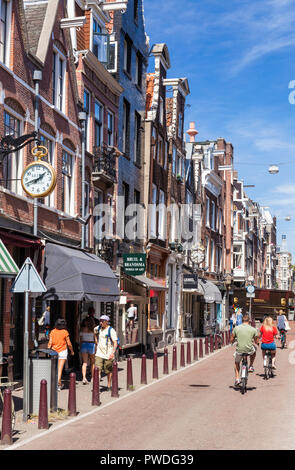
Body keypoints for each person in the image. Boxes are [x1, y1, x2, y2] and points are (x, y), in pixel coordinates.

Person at [231, 313, 259, 387]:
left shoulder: (236, 328)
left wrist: (232, 341)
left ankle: (237, 379)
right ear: (249, 321)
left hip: (239, 350)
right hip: (249, 350)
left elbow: (232, 339)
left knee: (236, 363)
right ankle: (250, 366)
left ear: (242, 321)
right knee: (254, 350)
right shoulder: (253, 329)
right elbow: (256, 341)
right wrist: (258, 343)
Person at [48, 318, 74, 391]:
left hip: (53, 351)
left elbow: (50, 342)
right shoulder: (65, 332)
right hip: (62, 351)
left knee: (53, 368)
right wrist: (72, 351)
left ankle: (55, 384)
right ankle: (58, 385)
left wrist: (48, 350)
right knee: (60, 369)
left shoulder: (52, 331)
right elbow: (69, 343)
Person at [94, 315, 118, 391]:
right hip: (99, 353)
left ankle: (108, 385)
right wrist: (96, 341)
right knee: (97, 369)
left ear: (106, 322)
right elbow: (94, 332)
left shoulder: (111, 330)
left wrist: (112, 353)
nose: (101, 323)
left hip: (108, 354)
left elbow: (115, 343)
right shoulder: (97, 328)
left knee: (108, 370)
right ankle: (96, 386)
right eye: (100, 321)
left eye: (102, 321)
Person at [80, 316, 96, 384]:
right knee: (92, 362)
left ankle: (84, 378)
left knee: (84, 362)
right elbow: (95, 340)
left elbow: (80, 339)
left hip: (84, 344)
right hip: (91, 345)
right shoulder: (93, 330)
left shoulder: (82, 329)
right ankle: (92, 377)